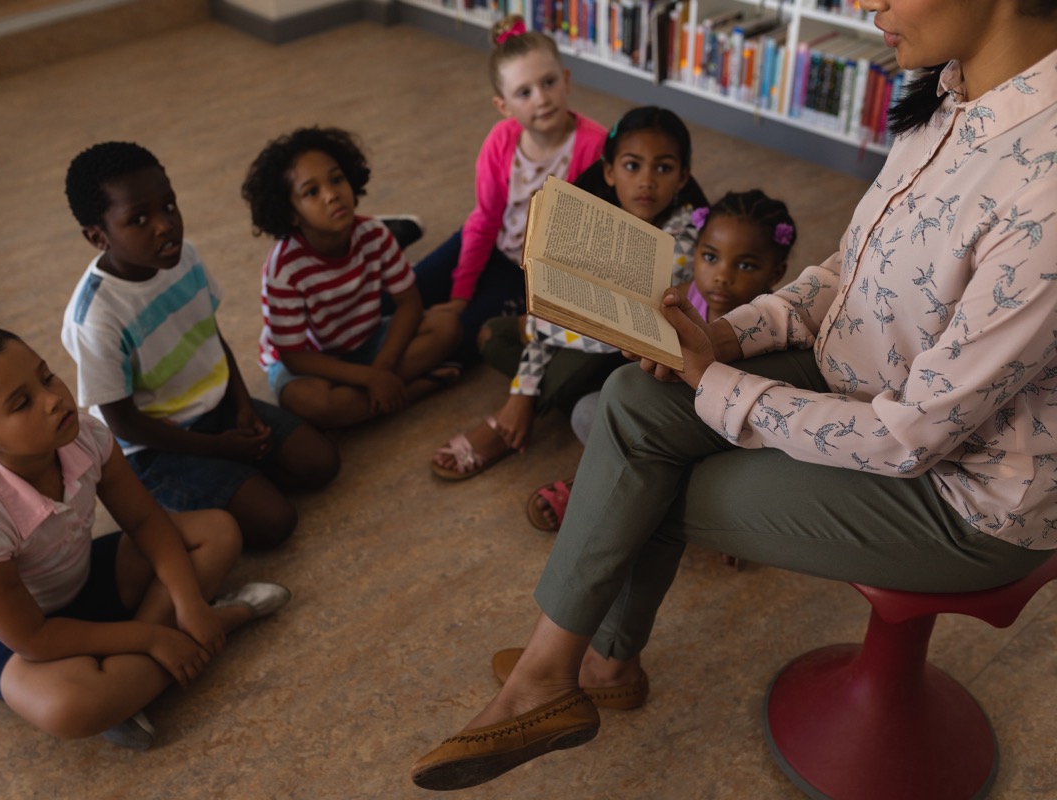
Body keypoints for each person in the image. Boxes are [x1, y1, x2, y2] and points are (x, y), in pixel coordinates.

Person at [411, 0, 1057, 789]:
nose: (864, 5)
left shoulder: (1046, 179)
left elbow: (912, 435)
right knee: (632, 400)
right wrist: (724, 337)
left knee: (655, 476)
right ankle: (577, 665)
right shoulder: (949, 92)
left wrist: (716, 383)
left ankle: (576, 669)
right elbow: (845, 277)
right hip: (865, 380)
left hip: (964, 494)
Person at [0, 326, 291, 749]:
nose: (53, 399)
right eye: (22, 403)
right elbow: (33, 637)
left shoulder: (86, 434)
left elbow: (145, 522)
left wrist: (188, 601)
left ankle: (137, 675)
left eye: (47, 376)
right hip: (12, 637)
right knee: (70, 707)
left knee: (217, 531)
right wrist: (154, 637)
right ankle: (224, 622)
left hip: (79, 577)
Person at [61, 141, 339, 552]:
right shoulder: (96, 317)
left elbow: (210, 333)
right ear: (97, 237)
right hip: (156, 447)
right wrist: (218, 448)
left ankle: (232, 477)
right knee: (275, 521)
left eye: (168, 206)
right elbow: (123, 426)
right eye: (139, 219)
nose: (164, 226)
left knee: (321, 463)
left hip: (219, 408)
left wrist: (243, 405)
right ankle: (172, 497)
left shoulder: (184, 257)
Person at [431, 106, 707, 480]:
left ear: (682, 176)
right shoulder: (594, 217)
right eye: (631, 165)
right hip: (584, 336)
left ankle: (509, 423)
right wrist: (542, 335)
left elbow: (612, 332)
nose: (646, 181)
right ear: (609, 171)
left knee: (590, 343)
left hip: (636, 357)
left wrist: (521, 392)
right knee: (493, 335)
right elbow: (563, 309)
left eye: (663, 168)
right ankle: (570, 397)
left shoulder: (686, 236)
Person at [525, 189, 794, 530]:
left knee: (748, 478)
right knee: (589, 413)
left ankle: (611, 491)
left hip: (723, 441)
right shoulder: (681, 299)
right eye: (710, 257)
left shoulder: (772, 325)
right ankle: (659, 499)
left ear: (777, 272)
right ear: (696, 251)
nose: (722, 275)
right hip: (665, 423)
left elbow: (756, 426)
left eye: (745, 265)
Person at [410, 14, 608, 364]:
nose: (541, 99)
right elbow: (485, 219)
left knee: (457, 337)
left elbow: (589, 247)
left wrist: (462, 308)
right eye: (524, 92)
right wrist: (460, 291)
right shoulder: (500, 140)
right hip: (487, 240)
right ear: (503, 106)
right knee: (407, 293)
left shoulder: (595, 146)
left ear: (565, 80)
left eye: (548, 83)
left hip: (530, 275)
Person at [243, 126, 463, 429]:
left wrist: (381, 368)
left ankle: (375, 398)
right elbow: (294, 357)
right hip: (312, 362)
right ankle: (411, 390)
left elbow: (409, 303)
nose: (332, 195)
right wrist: (371, 377)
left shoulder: (374, 234)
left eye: (336, 179)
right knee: (312, 403)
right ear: (290, 214)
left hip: (367, 342)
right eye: (311, 192)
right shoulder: (284, 270)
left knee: (447, 326)